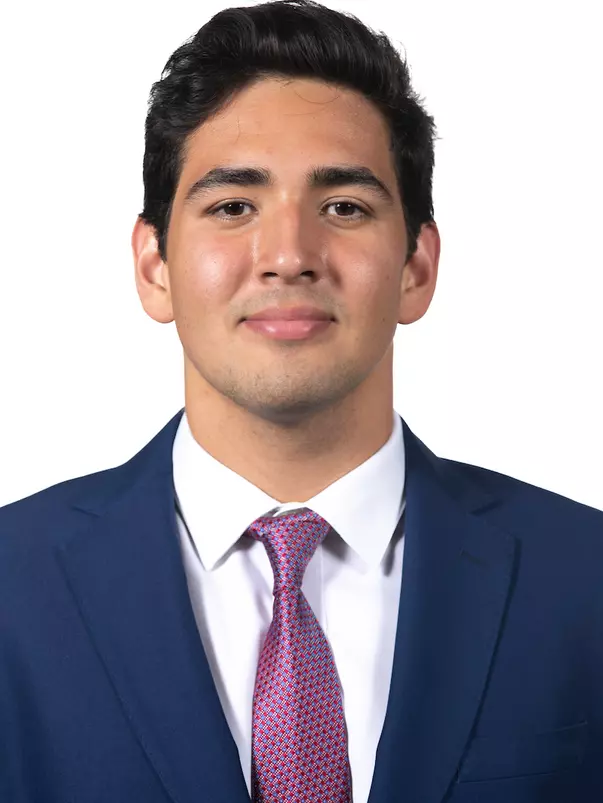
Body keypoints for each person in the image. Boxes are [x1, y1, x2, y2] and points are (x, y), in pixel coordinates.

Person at [1, 0, 602, 801]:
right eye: (232, 207)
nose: (288, 255)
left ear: (416, 267)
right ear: (154, 267)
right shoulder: (14, 584)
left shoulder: (582, 578)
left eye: (343, 207)